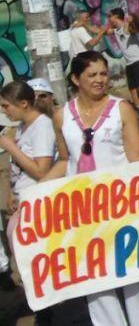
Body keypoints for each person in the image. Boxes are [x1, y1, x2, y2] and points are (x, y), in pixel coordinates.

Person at [41, 51, 139, 325]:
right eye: (92, 75)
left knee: (133, 272)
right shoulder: (61, 116)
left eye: (103, 74)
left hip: (120, 204)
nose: (100, 80)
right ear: (76, 79)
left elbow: (136, 154)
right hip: (82, 210)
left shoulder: (122, 109)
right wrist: (35, 191)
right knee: (95, 278)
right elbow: (64, 161)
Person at [0, 81, 56, 306]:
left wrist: (11, 147)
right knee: (30, 262)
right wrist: (12, 194)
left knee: (39, 261)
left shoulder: (41, 127)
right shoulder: (24, 126)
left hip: (39, 203)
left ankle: (50, 309)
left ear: (23, 103)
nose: (4, 111)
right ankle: (44, 308)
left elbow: (41, 170)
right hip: (25, 200)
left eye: (6, 106)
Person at [108, 8, 139, 124]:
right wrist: (85, 26)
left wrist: (132, 20)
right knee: (133, 89)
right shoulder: (115, 30)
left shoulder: (127, 26)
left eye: (110, 16)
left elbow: (135, 27)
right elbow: (100, 31)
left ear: (116, 16)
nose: (108, 19)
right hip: (130, 63)